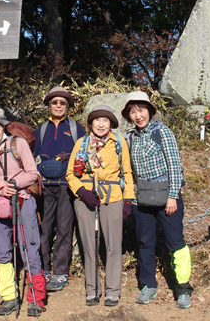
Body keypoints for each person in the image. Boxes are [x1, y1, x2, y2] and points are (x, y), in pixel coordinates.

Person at [122, 91, 193, 309]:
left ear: (150, 111)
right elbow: (129, 170)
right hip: (143, 197)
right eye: (133, 112)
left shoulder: (162, 132)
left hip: (167, 196)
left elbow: (174, 166)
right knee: (145, 242)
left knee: (175, 242)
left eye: (141, 110)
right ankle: (148, 285)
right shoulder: (130, 137)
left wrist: (173, 196)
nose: (137, 115)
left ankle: (183, 288)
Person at [0, 107, 47, 317]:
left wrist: (11, 183)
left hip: (24, 200)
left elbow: (32, 173)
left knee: (30, 246)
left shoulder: (19, 144)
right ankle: (9, 296)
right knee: (1, 249)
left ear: (3, 126)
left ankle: (37, 298)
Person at [65, 105, 134, 307]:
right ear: (90, 123)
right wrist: (81, 191)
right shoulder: (82, 143)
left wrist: (128, 200)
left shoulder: (119, 143)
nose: (101, 124)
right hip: (86, 197)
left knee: (114, 245)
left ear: (111, 124)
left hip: (113, 197)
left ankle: (113, 290)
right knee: (89, 245)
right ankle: (92, 290)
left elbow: (127, 173)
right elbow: (70, 173)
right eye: (97, 120)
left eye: (106, 120)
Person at [33, 87, 85, 292]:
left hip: (66, 185)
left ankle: (61, 272)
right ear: (49, 105)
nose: (58, 106)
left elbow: (82, 152)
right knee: (44, 228)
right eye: (54, 102)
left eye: (62, 103)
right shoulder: (42, 129)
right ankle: (44, 269)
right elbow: (35, 154)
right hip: (45, 185)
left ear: (67, 106)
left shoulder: (75, 128)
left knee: (64, 228)